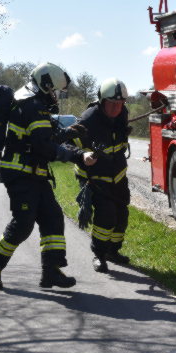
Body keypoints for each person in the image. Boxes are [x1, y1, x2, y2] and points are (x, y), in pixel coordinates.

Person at [0, 62, 97, 290]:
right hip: (20, 175)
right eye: (55, 90)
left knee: (53, 217)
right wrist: (77, 156)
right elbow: (44, 146)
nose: (56, 96)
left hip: (35, 175)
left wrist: (69, 133)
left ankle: (51, 271)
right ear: (46, 86)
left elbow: (45, 136)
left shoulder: (35, 104)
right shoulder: (32, 105)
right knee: (23, 225)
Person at [71, 78, 131, 273]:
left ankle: (112, 251)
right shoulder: (88, 120)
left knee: (122, 216)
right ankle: (99, 255)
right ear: (102, 101)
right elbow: (67, 145)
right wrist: (83, 155)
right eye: (112, 104)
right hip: (94, 178)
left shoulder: (123, 114)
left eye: (120, 104)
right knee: (106, 215)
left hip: (118, 176)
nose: (116, 108)